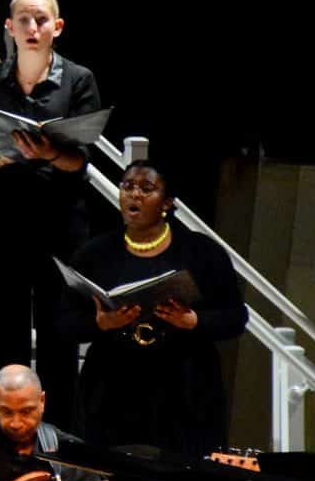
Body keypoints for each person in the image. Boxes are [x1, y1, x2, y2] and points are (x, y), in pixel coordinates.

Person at [0, 0, 105, 415]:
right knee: (4, 330)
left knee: (59, 329)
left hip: (60, 222)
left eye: (41, 20)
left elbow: (81, 159)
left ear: (57, 27)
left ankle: (59, 436)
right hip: (0, 220)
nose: (33, 28)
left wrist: (49, 152)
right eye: (24, 20)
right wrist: (13, 155)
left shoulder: (78, 79)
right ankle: (3, 432)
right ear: (10, 27)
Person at [51, 161, 246, 453]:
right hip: (113, 393)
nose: (134, 195)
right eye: (127, 186)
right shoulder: (94, 254)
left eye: (147, 188)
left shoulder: (201, 252)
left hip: (184, 392)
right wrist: (102, 323)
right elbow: (64, 323)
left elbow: (235, 317)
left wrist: (192, 321)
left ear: (167, 202)